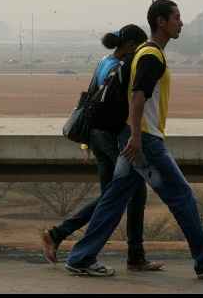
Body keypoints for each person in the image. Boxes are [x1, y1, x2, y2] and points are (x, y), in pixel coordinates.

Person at [64, 0, 203, 278]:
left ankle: (81, 257)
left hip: (134, 137)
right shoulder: (152, 55)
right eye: (177, 18)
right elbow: (137, 97)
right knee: (181, 195)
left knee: (114, 197)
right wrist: (136, 136)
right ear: (161, 21)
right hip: (144, 140)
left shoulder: (145, 52)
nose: (181, 23)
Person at [42, 24, 164, 272]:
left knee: (114, 194)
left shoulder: (103, 62)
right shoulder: (119, 67)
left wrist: (87, 141)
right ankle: (132, 255)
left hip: (97, 136)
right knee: (125, 194)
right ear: (131, 46)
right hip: (112, 137)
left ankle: (60, 235)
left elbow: (91, 101)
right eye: (138, 48)